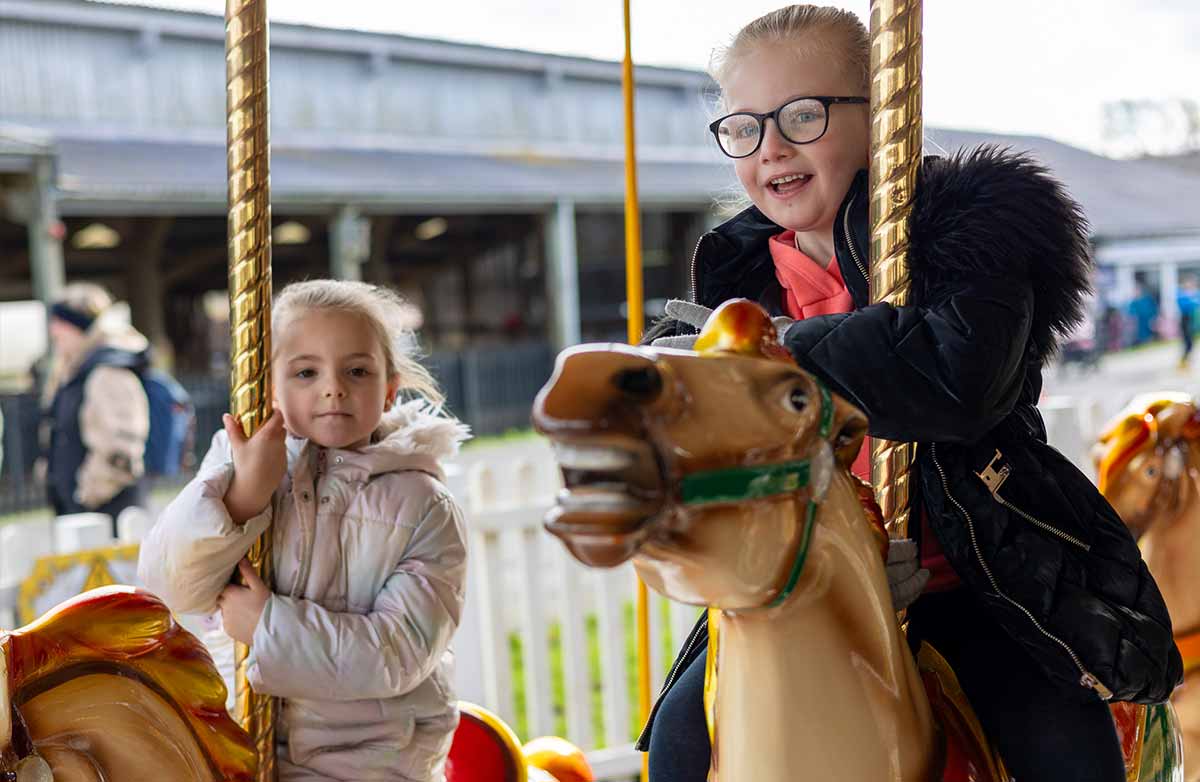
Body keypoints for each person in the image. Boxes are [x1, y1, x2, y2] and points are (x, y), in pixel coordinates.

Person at [639, 7, 1182, 781]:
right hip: (802, 589)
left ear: (889, 114)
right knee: (679, 750)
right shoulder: (733, 277)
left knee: (1061, 747)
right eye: (744, 128)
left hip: (977, 573)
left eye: (803, 115)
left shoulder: (969, 231)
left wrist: (774, 355)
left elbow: (956, 378)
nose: (773, 148)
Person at [139, 280, 470, 781]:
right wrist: (240, 500)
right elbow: (169, 588)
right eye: (306, 372)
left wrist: (268, 627)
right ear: (269, 387)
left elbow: (397, 652)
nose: (332, 387)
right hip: (234, 735)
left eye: (356, 370)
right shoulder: (238, 462)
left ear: (388, 390)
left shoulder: (425, 506)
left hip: (370, 758)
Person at [41, 282, 150, 535]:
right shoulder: (74, 373)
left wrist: (85, 494)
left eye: (59, 323)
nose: (53, 330)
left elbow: (122, 445)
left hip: (108, 517)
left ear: (79, 327)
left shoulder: (108, 372)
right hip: (84, 517)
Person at [1177, 275, 1199, 369]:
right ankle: (1183, 361)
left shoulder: (1195, 293)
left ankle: (1186, 360)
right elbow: (1184, 306)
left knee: (1192, 342)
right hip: (1185, 320)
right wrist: (1191, 299)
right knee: (1187, 342)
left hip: (1193, 319)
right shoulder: (1181, 294)